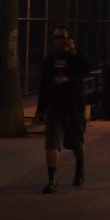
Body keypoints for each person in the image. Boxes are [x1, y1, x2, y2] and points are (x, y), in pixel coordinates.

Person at [34, 26, 91, 193]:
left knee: (76, 142)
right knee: (51, 142)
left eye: (63, 38)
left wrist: (73, 51)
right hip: (54, 106)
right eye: (56, 38)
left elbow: (86, 68)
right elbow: (44, 84)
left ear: (70, 39)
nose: (59, 41)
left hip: (73, 105)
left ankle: (79, 169)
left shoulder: (76, 56)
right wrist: (41, 109)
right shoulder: (50, 59)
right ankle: (52, 178)